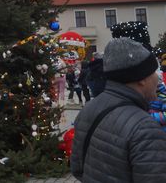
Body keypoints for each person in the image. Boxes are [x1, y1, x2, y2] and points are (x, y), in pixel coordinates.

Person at [70, 37, 166, 182]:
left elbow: (77, 168)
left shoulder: (88, 108)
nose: (158, 80)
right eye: (154, 72)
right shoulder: (145, 128)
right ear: (141, 78)